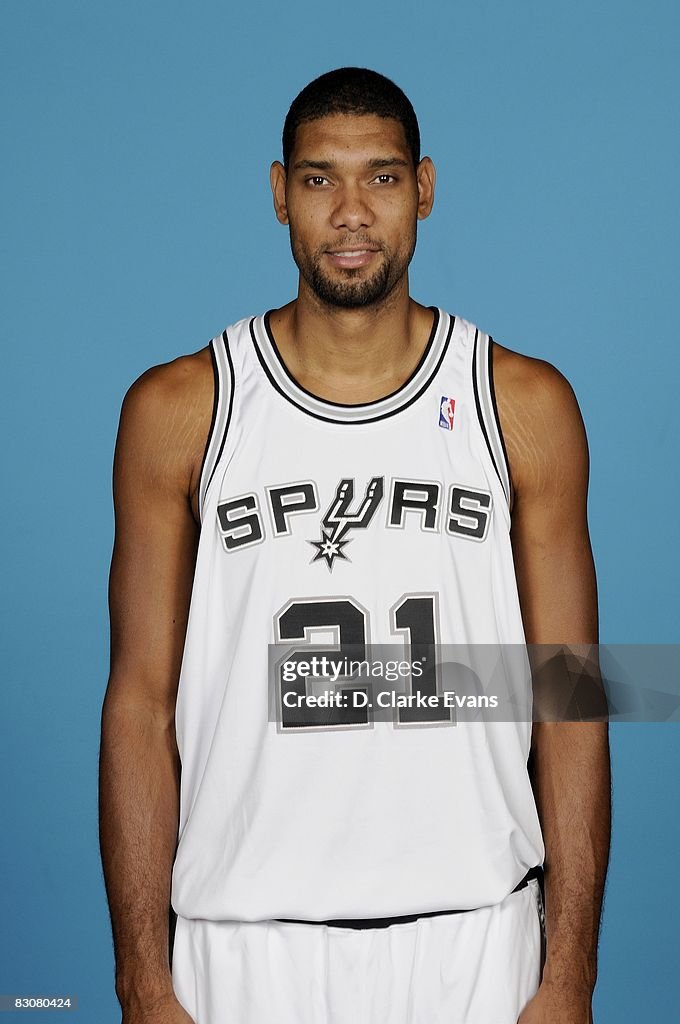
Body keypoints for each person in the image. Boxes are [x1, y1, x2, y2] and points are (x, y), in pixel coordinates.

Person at [99, 67, 611, 1024]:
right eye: (318, 179)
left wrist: (571, 976)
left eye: (380, 177)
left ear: (424, 187)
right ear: (279, 193)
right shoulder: (181, 409)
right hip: (240, 943)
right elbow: (139, 703)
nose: (350, 213)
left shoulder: (521, 405)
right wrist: (142, 982)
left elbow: (569, 696)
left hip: (477, 939)